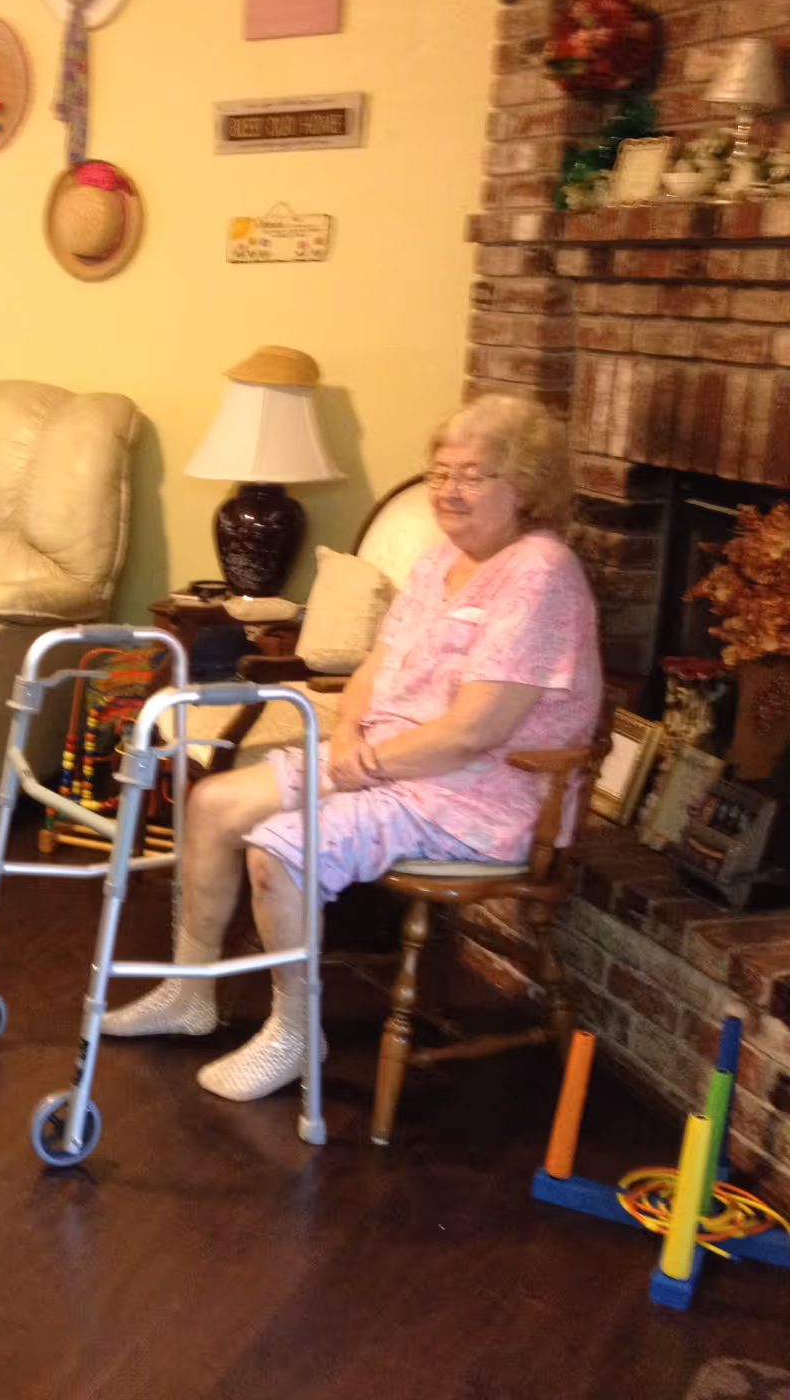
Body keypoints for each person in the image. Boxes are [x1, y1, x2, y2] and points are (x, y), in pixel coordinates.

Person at [100, 394, 601, 1101]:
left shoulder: (540, 575)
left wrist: (368, 763)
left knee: (277, 850)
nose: (448, 489)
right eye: (440, 471)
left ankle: (296, 1032)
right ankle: (190, 993)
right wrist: (344, 734)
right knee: (213, 802)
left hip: (478, 792)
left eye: (473, 475)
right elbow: (373, 667)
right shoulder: (439, 561)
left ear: (525, 486)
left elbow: (476, 730)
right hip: (388, 763)